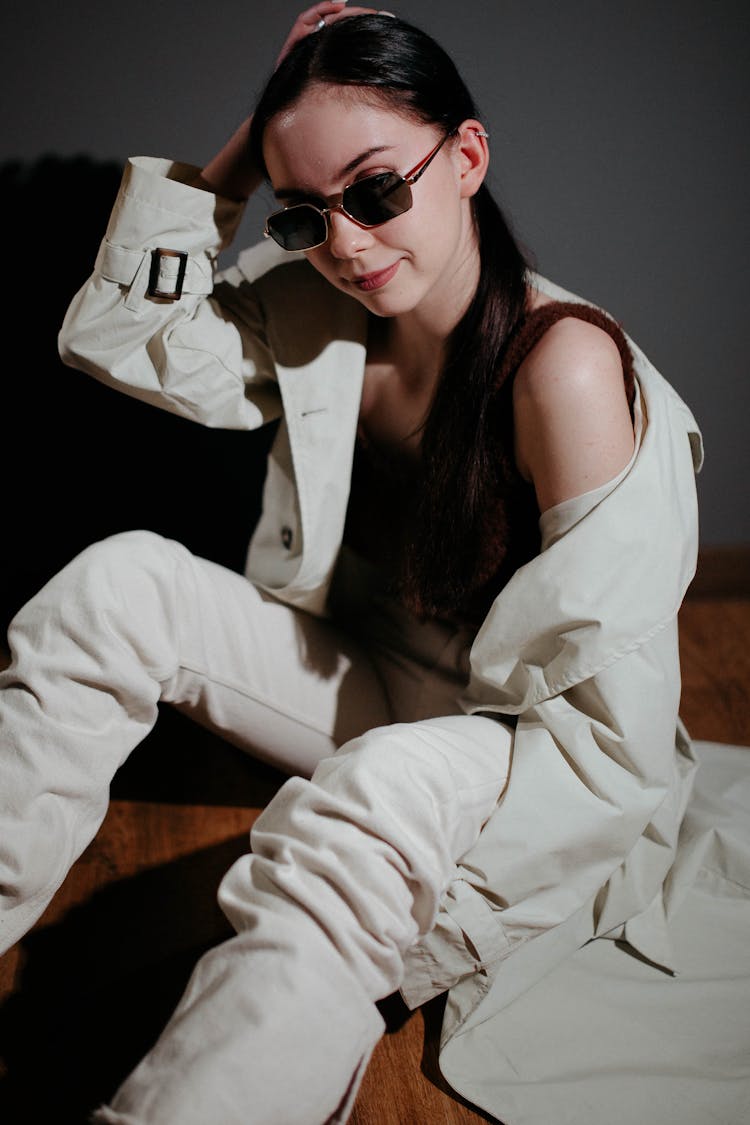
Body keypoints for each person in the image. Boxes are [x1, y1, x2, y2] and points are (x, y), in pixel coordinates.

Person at [5, 5, 743, 1125]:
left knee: (366, 803)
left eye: (377, 190)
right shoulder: (314, 303)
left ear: (469, 157)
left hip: (517, 749)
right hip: (371, 678)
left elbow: (612, 741)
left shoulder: (567, 370)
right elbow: (113, 339)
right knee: (115, 584)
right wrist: (245, 156)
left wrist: (426, 930)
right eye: (307, 212)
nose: (346, 241)